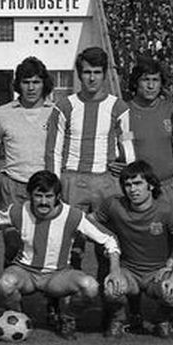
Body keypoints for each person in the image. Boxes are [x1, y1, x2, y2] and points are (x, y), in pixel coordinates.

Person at [0, 171, 121, 340]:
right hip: (26, 272)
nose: (44, 202)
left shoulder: (73, 216)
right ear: (30, 195)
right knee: (6, 283)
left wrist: (115, 270)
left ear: (57, 197)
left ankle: (67, 318)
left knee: (90, 287)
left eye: (49, 196)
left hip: (58, 275)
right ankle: (17, 319)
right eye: (38, 196)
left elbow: (109, 240)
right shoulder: (19, 211)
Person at [46, 47, 130, 274]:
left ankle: (107, 296)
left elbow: (128, 143)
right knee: (71, 242)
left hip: (106, 182)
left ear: (104, 74)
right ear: (79, 74)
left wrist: (126, 170)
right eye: (86, 72)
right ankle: (66, 297)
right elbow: (53, 150)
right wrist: (54, 186)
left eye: (97, 72)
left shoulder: (119, 107)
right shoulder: (65, 106)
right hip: (72, 180)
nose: (91, 78)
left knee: (107, 241)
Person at [96, 162, 173, 339]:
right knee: (112, 289)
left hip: (156, 273)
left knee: (172, 294)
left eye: (138, 183)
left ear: (150, 185)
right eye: (127, 185)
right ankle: (119, 320)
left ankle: (161, 320)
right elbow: (90, 222)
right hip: (129, 272)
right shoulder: (113, 205)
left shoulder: (165, 210)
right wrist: (109, 240)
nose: (132, 189)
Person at [0, 56, 55, 263]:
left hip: (47, 188)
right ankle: (11, 292)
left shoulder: (57, 113)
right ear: (18, 85)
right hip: (13, 186)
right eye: (26, 82)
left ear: (44, 84)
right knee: (14, 246)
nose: (31, 88)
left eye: (36, 82)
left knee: (47, 246)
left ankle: (47, 292)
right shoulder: (2, 113)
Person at [123, 55, 173, 204]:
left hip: (168, 188)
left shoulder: (171, 110)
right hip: (137, 191)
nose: (150, 86)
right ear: (136, 83)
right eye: (145, 80)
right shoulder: (124, 113)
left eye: (155, 80)